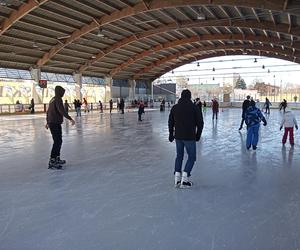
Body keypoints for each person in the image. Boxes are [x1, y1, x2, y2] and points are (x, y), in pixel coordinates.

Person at [168, 89, 204, 188]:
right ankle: (185, 179)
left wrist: (171, 134)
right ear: (189, 96)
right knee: (191, 157)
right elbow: (200, 123)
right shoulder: (194, 107)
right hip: (189, 137)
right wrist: (198, 135)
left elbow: (170, 122)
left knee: (179, 156)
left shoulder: (175, 108)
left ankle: (177, 179)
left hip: (178, 137)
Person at [45, 86, 75, 169]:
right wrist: (70, 119)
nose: (63, 94)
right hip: (54, 123)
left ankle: (57, 158)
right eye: (62, 92)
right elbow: (61, 110)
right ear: (59, 92)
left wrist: (47, 122)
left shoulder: (53, 99)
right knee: (57, 141)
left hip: (54, 122)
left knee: (59, 141)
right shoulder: (58, 99)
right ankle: (52, 161)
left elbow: (48, 112)